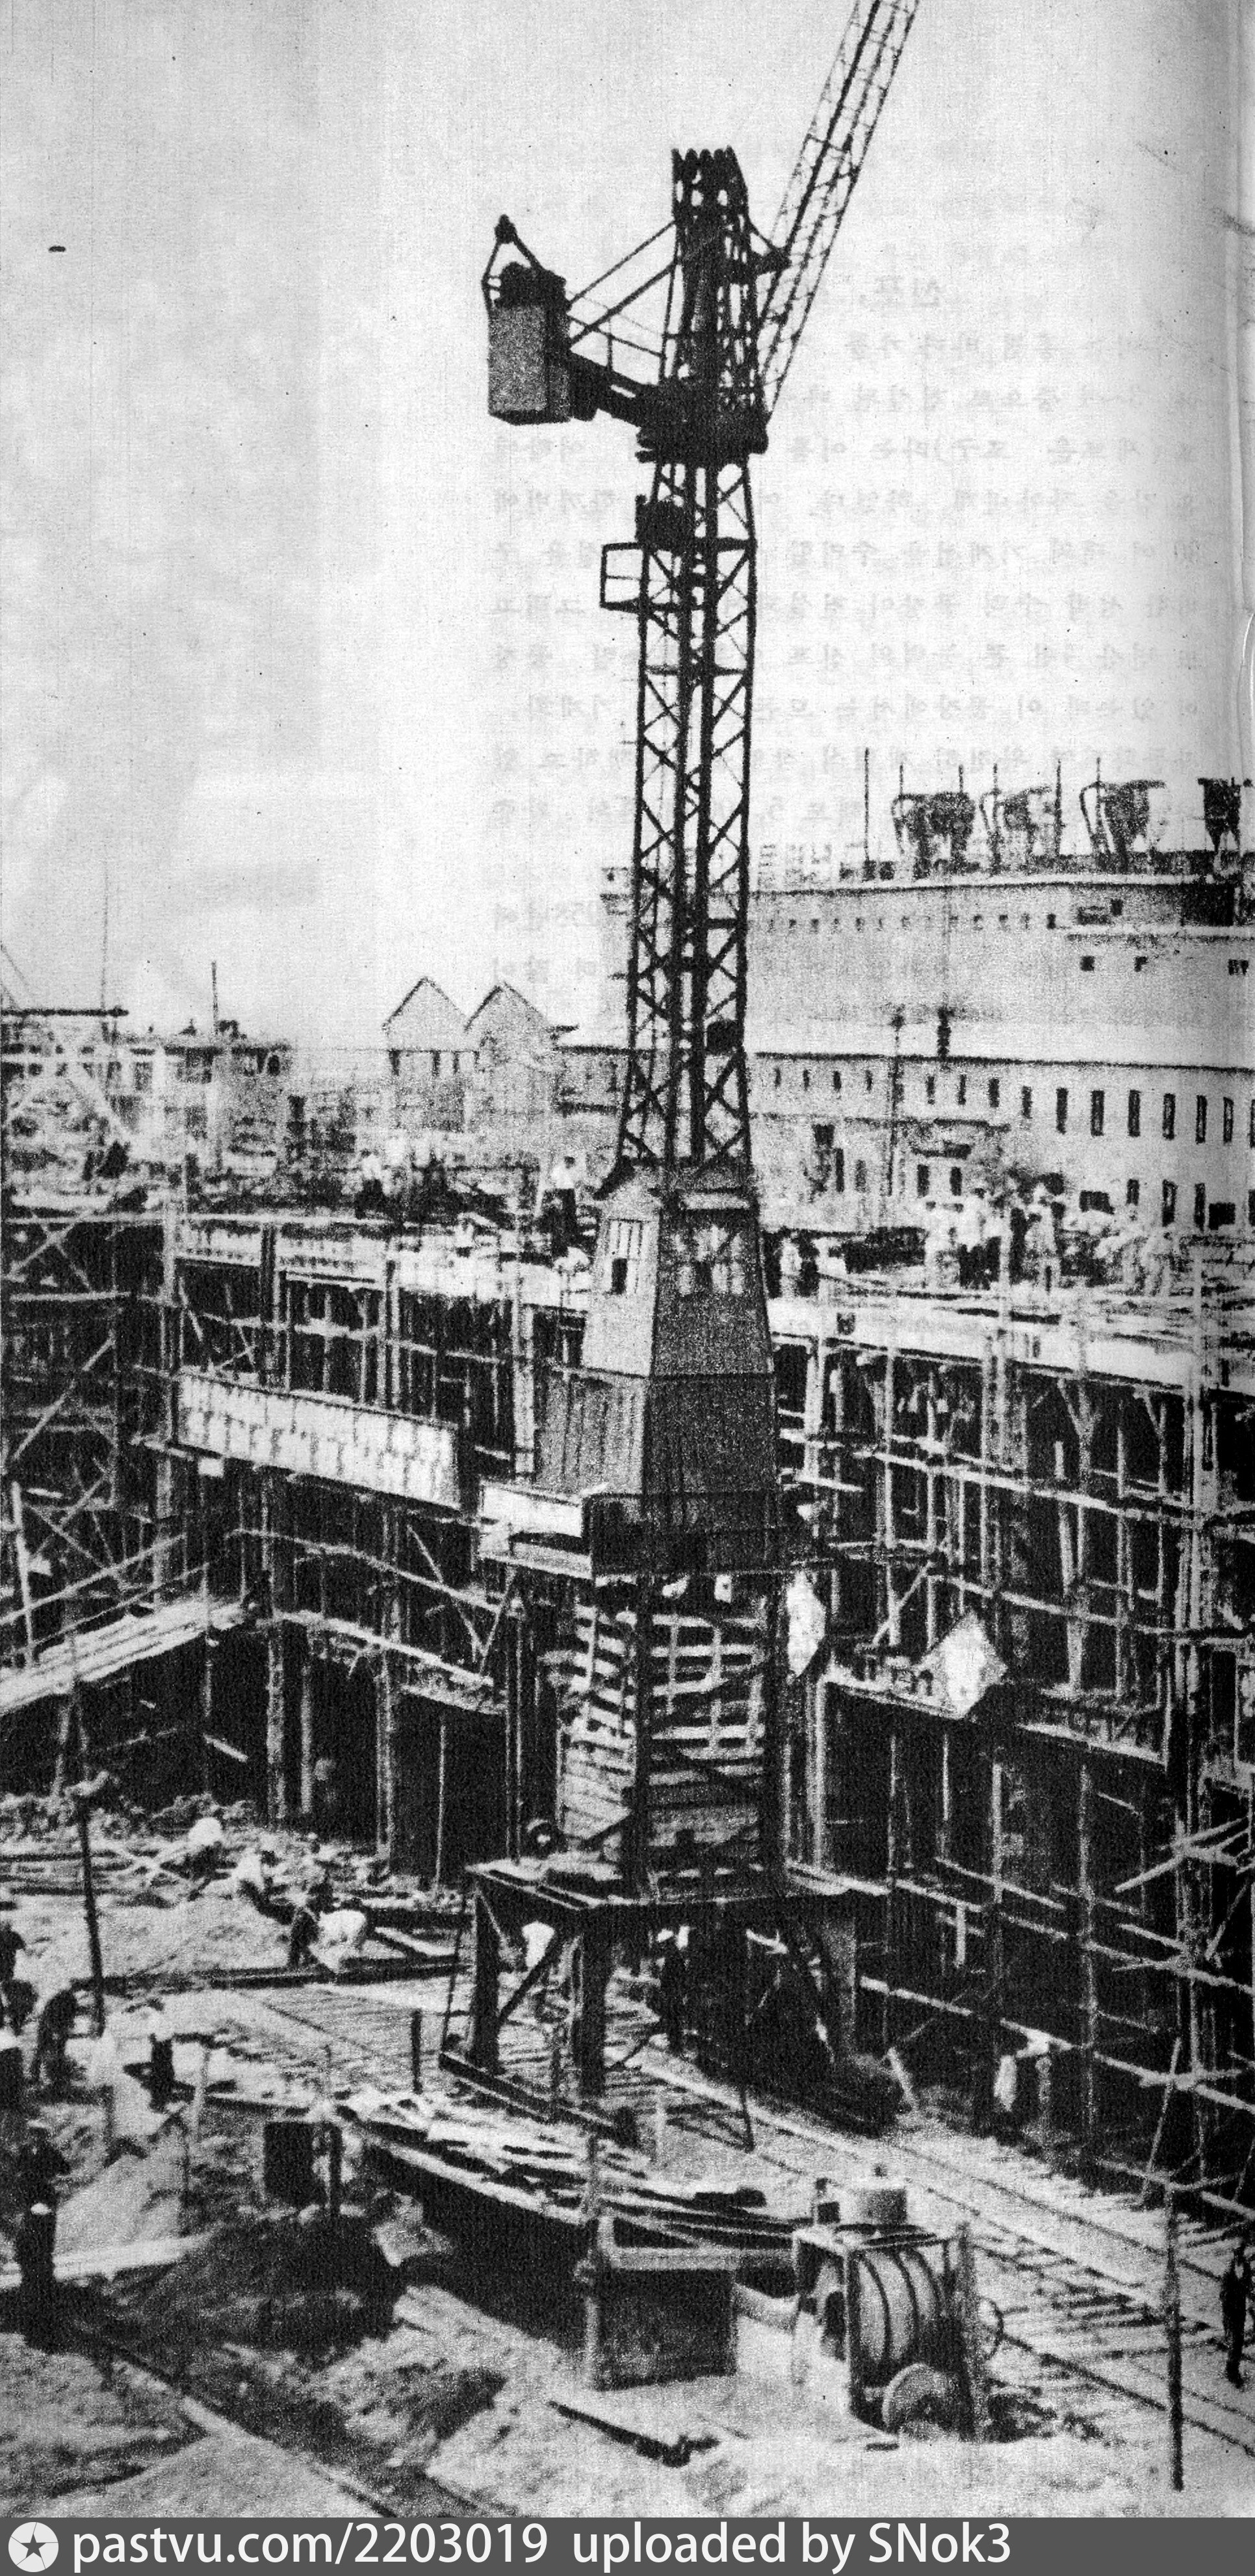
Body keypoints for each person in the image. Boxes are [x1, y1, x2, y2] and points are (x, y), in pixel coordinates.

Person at [32, 1983, 77, 2092]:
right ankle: (38, 2076)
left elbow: (69, 2017)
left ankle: (56, 2078)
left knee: (57, 2052)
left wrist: (65, 2028)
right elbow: (50, 2017)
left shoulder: (68, 2001)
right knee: (43, 2051)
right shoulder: (63, 2001)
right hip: (48, 2028)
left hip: (55, 2027)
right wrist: (55, 2031)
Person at [1221, 2237, 1252, 2387]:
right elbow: (1223, 2293)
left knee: (1238, 2341)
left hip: (1240, 2309)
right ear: (1234, 2253)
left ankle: (1233, 2369)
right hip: (1230, 2310)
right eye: (1237, 2251)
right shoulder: (1228, 2269)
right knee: (1234, 2340)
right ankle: (1231, 2371)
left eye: (1241, 2251)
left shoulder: (1246, 2266)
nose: (1239, 2254)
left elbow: (1248, 2285)